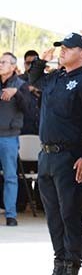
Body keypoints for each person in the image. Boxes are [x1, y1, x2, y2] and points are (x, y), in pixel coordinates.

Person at [26, 32, 82, 275]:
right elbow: (34, 79)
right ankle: (59, 267)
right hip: (47, 155)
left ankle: (71, 273)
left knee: (71, 215)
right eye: (62, 47)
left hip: (71, 157)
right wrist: (41, 61)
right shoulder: (56, 78)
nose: (63, 51)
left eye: (69, 48)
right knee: (54, 216)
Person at [0, 52, 28, 226]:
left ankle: (11, 214)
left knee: (10, 176)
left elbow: (29, 109)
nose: (0, 64)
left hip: (9, 137)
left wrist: (16, 93)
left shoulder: (21, 85)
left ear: (12, 66)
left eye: (3, 62)